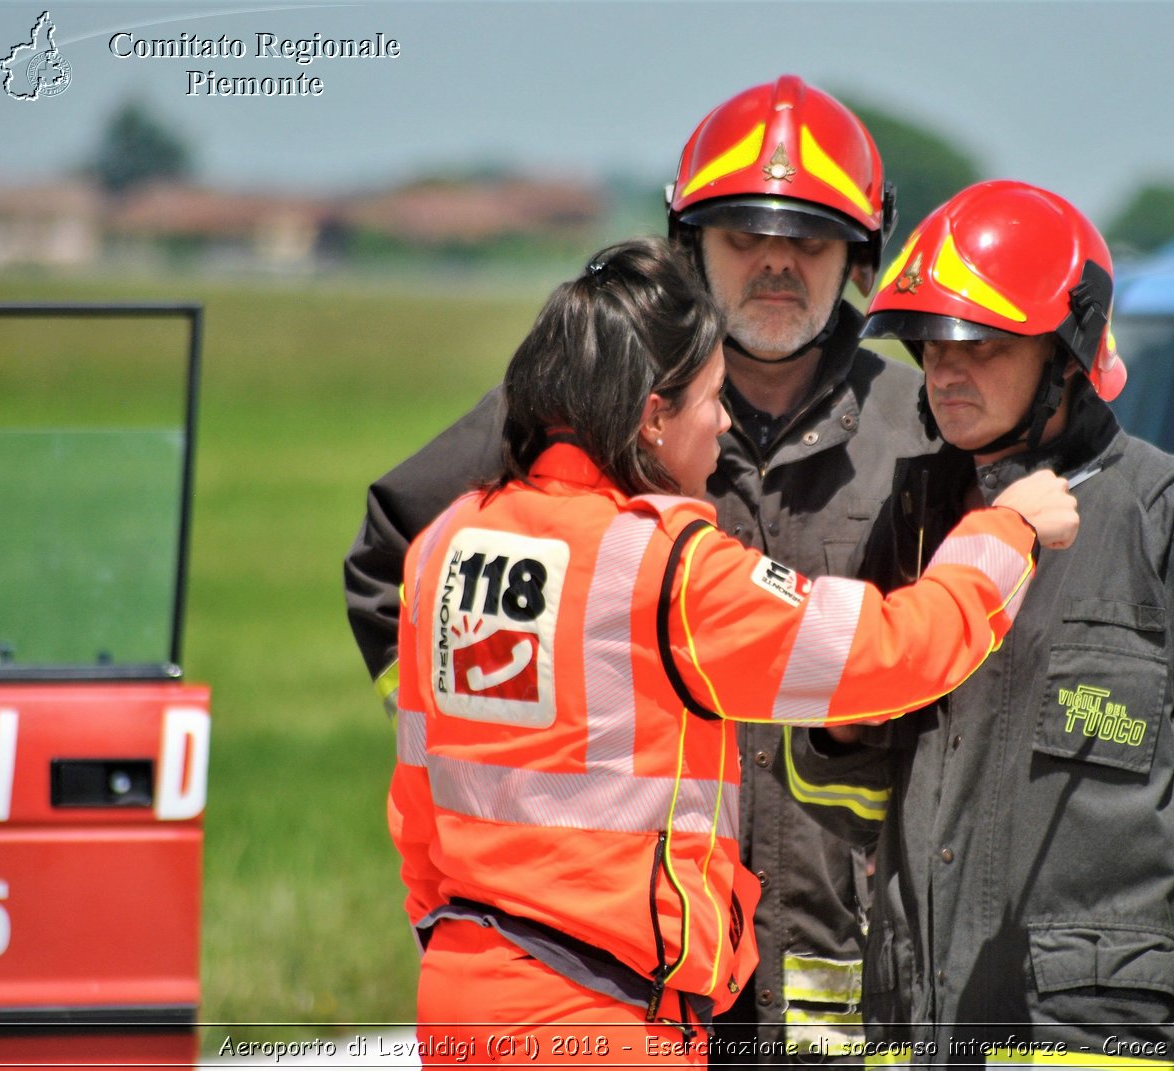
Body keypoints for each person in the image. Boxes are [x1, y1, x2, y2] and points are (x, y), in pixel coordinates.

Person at [346, 75, 934, 1060]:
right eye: (747, 239)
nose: (777, 266)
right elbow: (394, 561)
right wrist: (504, 732)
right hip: (618, 969)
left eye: (811, 243)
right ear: (690, 244)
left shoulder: (916, 435)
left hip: (844, 945)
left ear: (861, 255)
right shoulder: (573, 404)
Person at [387, 237, 1080, 1066]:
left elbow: (419, 796)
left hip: (461, 989)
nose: (722, 422)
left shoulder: (447, 540)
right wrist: (1008, 532)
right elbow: (891, 655)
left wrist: (453, 937)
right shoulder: (665, 565)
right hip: (602, 1013)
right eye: (712, 398)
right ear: (651, 415)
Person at [787, 181, 1174, 1068]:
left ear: (1067, 353)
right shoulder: (916, 518)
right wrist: (842, 728)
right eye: (932, 344)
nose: (945, 370)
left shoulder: (1170, 522)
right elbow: (846, 779)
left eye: (981, 343)